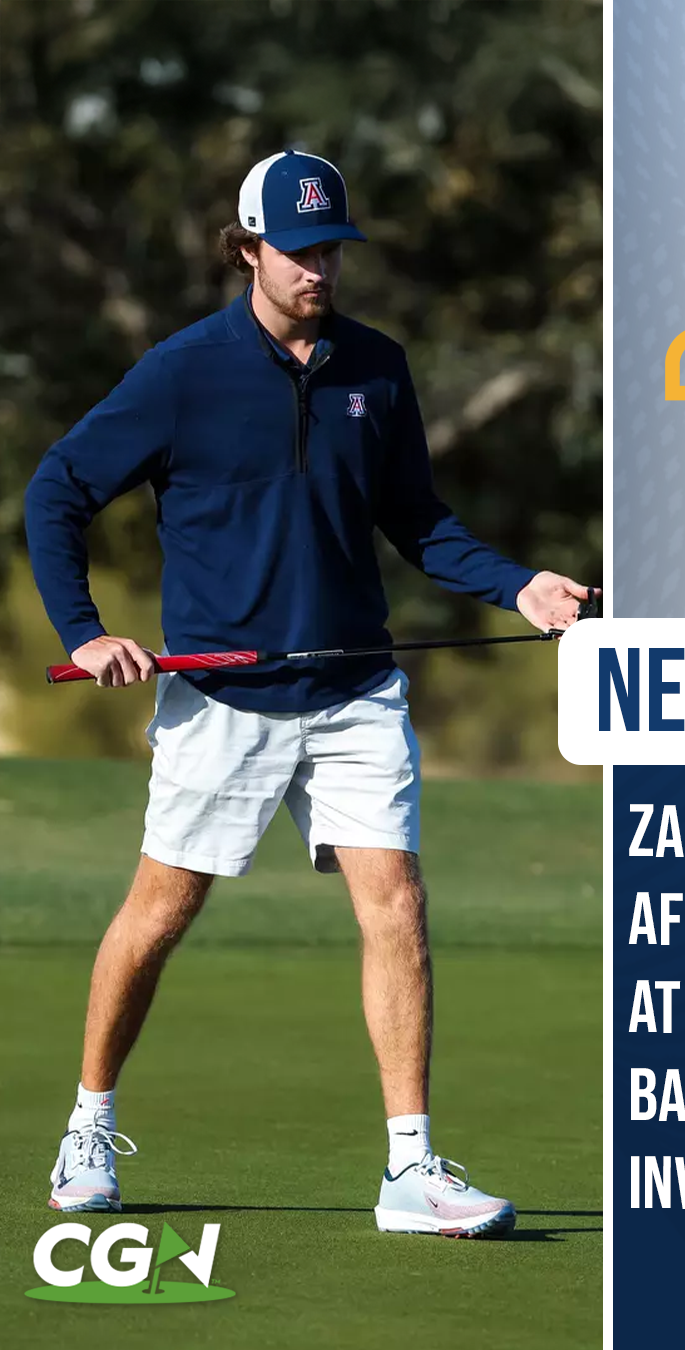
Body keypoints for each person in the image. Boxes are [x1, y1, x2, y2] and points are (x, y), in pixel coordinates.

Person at [24, 149, 596, 1238]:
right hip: (223, 703)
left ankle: (410, 1170)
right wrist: (88, 636)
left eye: (331, 247)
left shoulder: (376, 368)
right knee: (160, 912)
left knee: (397, 902)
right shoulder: (182, 372)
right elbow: (56, 491)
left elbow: (418, 521)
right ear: (248, 248)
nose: (318, 267)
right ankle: (88, 1128)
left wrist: (520, 584)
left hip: (355, 692)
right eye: (298, 248)